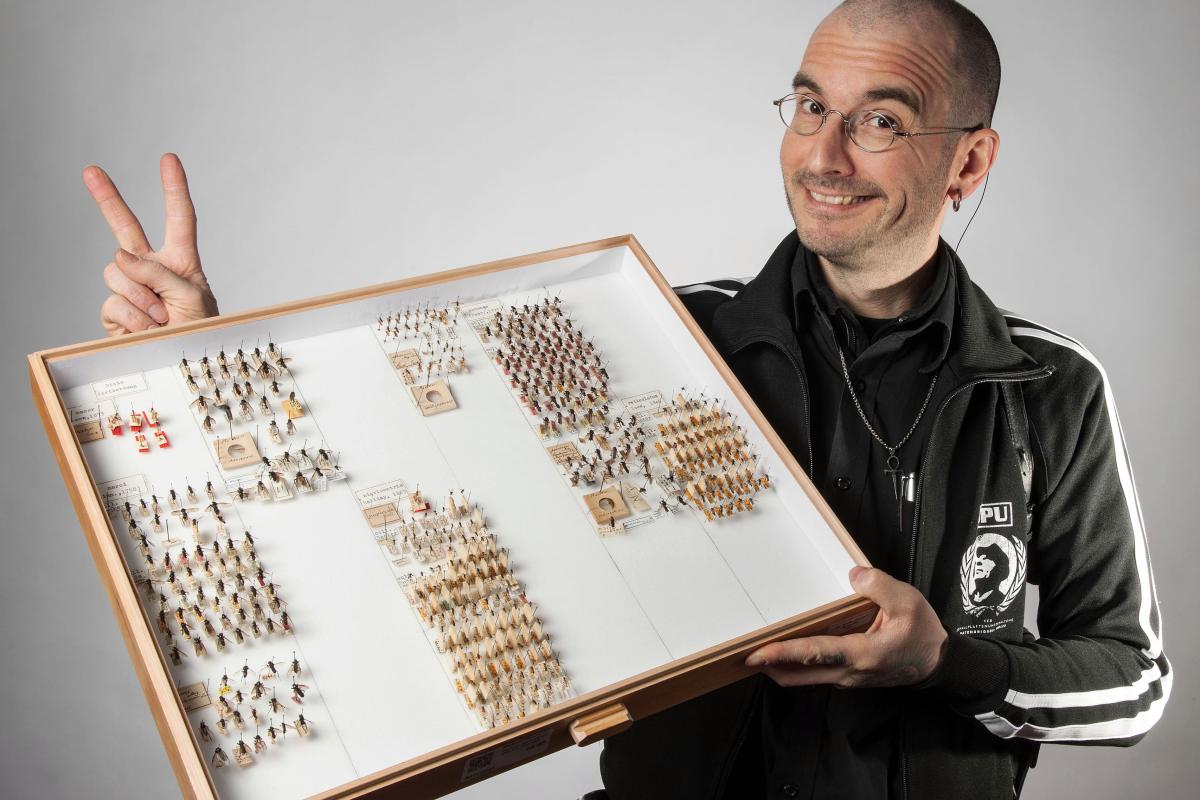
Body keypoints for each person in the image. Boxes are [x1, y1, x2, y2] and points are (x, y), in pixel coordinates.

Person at [82, 1, 1169, 797]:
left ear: (968, 162)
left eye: (880, 120)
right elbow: (415, 486)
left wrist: (951, 659)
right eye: (807, 105)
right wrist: (204, 367)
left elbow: (1134, 679)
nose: (823, 154)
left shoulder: (1052, 386)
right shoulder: (656, 326)